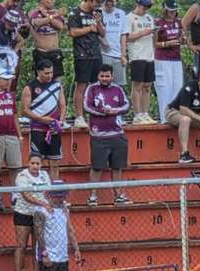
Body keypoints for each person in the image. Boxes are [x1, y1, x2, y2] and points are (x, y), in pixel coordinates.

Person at [83, 64, 130, 206]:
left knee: (117, 167)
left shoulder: (118, 89)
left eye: (107, 76)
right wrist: (102, 112)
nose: (104, 78)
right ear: (98, 76)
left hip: (117, 134)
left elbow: (127, 105)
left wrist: (114, 111)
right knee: (97, 167)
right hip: (98, 135)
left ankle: (118, 195)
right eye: (102, 76)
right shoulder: (91, 89)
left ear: (112, 76)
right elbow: (86, 106)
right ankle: (93, 196)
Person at [32, 181, 79, 271]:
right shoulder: (40, 211)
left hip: (62, 254)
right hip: (48, 253)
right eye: (58, 196)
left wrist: (76, 249)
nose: (61, 199)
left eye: (62, 196)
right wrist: (44, 254)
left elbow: (69, 230)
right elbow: (38, 234)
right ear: (50, 196)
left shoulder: (65, 210)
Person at [11, 153, 48, 271]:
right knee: (21, 245)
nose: (35, 166)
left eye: (38, 164)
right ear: (28, 163)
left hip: (38, 214)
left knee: (37, 246)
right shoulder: (21, 176)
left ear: (41, 165)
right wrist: (43, 203)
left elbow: (48, 192)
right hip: (23, 213)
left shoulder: (45, 175)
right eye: (33, 163)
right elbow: (26, 196)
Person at [69, 0, 104, 129]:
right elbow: (72, 32)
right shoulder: (75, 13)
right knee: (81, 85)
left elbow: (103, 33)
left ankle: (94, 114)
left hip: (96, 54)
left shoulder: (97, 12)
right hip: (82, 54)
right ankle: (79, 116)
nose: (98, 5)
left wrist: (99, 22)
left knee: (96, 86)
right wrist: (89, 28)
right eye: (96, 2)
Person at [121, 0, 154, 124]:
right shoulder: (129, 18)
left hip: (149, 55)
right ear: (138, 5)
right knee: (137, 85)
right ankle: (137, 114)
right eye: (144, 7)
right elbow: (127, 37)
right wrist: (143, 33)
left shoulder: (149, 18)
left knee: (147, 86)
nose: (145, 10)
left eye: (147, 7)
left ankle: (146, 113)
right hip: (137, 55)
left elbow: (153, 36)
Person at [0, 68, 17, 214]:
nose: (8, 82)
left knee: (15, 166)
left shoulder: (11, 96)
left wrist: (19, 136)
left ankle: (14, 196)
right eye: (5, 79)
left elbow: (14, 116)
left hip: (11, 134)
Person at [152, 0, 182, 125]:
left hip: (176, 58)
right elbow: (154, 43)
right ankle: (164, 118)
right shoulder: (158, 23)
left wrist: (182, 40)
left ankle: (175, 116)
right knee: (164, 88)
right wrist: (166, 44)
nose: (172, 13)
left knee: (178, 87)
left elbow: (182, 37)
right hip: (162, 59)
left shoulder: (178, 23)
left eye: (174, 10)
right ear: (164, 9)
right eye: (170, 10)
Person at [29, 0, 67, 80]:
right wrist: (52, 16)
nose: (53, 1)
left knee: (57, 80)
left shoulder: (55, 12)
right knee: (41, 80)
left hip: (55, 52)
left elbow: (60, 26)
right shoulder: (33, 12)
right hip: (41, 52)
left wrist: (47, 15)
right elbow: (37, 23)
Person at [99, 0, 126, 87]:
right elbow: (93, 32)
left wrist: (123, 54)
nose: (109, 3)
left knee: (119, 85)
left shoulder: (121, 13)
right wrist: (103, 42)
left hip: (118, 55)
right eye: (107, 1)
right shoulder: (97, 12)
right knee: (103, 83)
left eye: (112, 1)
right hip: (103, 54)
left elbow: (123, 34)